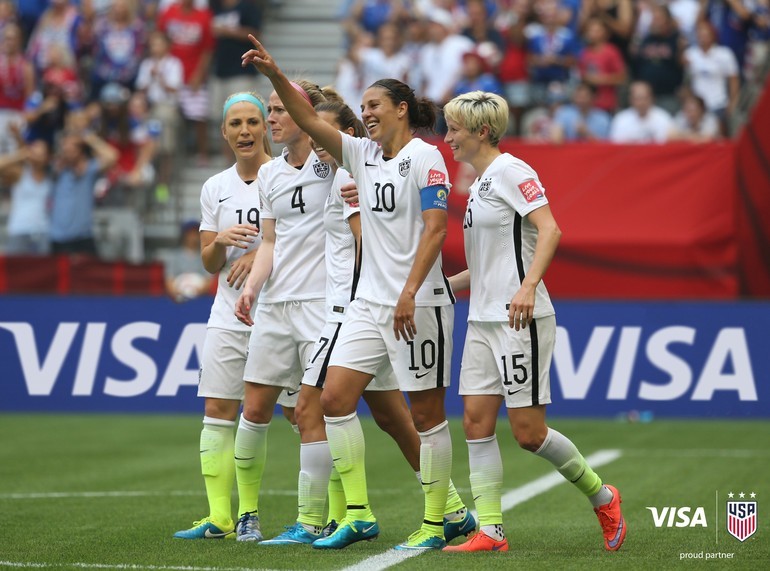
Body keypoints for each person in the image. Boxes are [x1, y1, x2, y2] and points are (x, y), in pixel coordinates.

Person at [243, 36, 458, 551]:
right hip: (367, 306)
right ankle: (358, 514)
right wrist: (276, 77)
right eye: (362, 109)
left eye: (375, 107)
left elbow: (435, 231)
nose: (367, 115)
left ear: (401, 110)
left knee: (425, 416)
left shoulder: (427, 158)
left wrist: (408, 290)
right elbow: (311, 119)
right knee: (334, 400)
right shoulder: (361, 157)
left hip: (417, 304)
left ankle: (439, 519)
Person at [441, 90, 626, 553]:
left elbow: (551, 228)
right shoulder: (480, 182)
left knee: (528, 434)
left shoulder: (512, 171)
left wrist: (527, 287)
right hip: (482, 320)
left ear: (482, 131)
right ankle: (491, 531)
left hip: (520, 319)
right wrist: (442, 287)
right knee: (475, 424)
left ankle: (603, 497)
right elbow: (488, 265)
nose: (448, 138)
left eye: (455, 129)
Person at [232, 79, 334, 542]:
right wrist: (252, 288)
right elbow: (270, 241)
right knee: (254, 408)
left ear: (301, 112)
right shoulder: (271, 174)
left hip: (320, 305)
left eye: (277, 110)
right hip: (275, 305)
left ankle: (314, 517)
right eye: (268, 110)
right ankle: (247, 515)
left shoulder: (331, 162)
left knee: (312, 413)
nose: (270, 119)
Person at [173, 91, 275, 539]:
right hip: (228, 313)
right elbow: (209, 263)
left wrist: (262, 255)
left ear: (266, 126)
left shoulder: (284, 176)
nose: (245, 131)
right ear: (224, 132)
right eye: (236, 124)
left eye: (253, 121)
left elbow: (311, 241)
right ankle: (221, 517)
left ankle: (320, 515)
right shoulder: (215, 187)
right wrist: (222, 242)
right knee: (218, 409)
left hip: (280, 311)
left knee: (298, 414)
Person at [49, 128, 119, 255]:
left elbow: (112, 156)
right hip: (58, 238)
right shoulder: (56, 170)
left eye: (73, 147)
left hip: (82, 237)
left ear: (80, 151)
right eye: (65, 146)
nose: (68, 150)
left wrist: (89, 138)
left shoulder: (89, 169)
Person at [0, 136, 52, 255]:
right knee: (15, 271)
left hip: (43, 230)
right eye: (34, 150)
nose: (37, 154)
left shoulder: (50, 177)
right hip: (19, 229)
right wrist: (21, 155)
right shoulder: (21, 173)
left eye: (41, 152)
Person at [164, 219, 214, 303]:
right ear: (184, 235)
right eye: (190, 234)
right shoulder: (174, 256)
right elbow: (169, 280)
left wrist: (197, 292)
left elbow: (208, 280)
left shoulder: (205, 255)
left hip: (200, 300)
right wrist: (178, 292)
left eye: (196, 233)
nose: (193, 237)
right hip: (178, 300)